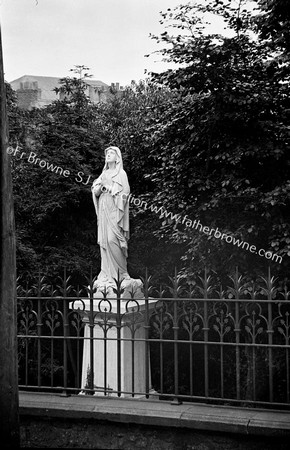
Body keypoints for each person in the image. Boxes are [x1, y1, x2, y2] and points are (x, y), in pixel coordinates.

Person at [91, 146, 130, 288]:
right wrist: (98, 188)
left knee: (113, 239)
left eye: (111, 153)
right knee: (104, 241)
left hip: (115, 207)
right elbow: (95, 191)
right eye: (107, 153)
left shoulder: (121, 174)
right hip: (103, 206)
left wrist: (112, 190)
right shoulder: (104, 173)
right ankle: (107, 273)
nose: (108, 155)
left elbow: (126, 192)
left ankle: (121, 273)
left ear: (117, 157)